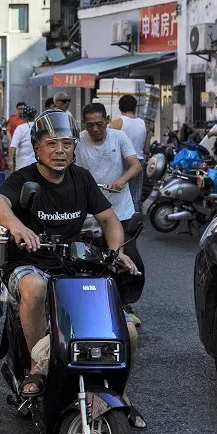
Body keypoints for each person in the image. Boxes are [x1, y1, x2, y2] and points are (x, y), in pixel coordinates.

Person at [0, 109, 138, 396]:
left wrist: (116, 252)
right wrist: (18, 228)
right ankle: (37, 367)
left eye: (66, 144)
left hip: (72, 266)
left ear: (73, 148)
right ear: (36, 148)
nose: (59, 151)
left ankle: (117, 390)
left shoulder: (81, 179)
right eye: (52, 144)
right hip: (28, 264)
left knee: (128, 331)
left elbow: (109, 219)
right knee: (35, 287)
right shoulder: (23, 178)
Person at [76, 103, 145, 316]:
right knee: (90, 259)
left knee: (126, 257)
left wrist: (122, 180)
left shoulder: (119, 137)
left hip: (120, 209)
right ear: (83, 124)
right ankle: (92, 303)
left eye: (99, 124)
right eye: (90, 126)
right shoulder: (78, 141)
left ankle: (124, 304)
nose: (95, 129)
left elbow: (135, 165)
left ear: (107, 119)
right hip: (91, 212)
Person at [110, 95, 150, 211]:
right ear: (135, 107)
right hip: (139, 162)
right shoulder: (144, 124)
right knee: (135, 197)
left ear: (119, 107)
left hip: (121, 161)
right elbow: (147, 149)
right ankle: (135, 223)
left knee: (118, 194)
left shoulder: (117, 123)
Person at [9, 105, 38, 171]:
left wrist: (10, 161)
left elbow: (13, 146)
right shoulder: (39, 127)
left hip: (23, 165)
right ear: (35, 116)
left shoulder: (20, 128)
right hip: (37, 164)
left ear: (24, 117)